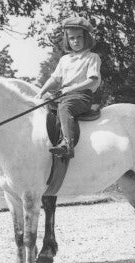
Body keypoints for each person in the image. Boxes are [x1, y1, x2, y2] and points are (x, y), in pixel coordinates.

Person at [36, 16, 101, 159]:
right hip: (64, 95)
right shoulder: (65, 59)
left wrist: (70, 89)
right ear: (67, 40)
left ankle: (67, 145)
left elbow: (92, 80)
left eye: (79, 37)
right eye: (72, 38)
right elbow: (55, 78)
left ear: (86, 38)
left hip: (81, 96)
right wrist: (41, 92)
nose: (76, 41)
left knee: (65, 107)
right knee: (43, 104)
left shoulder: (92, 57)